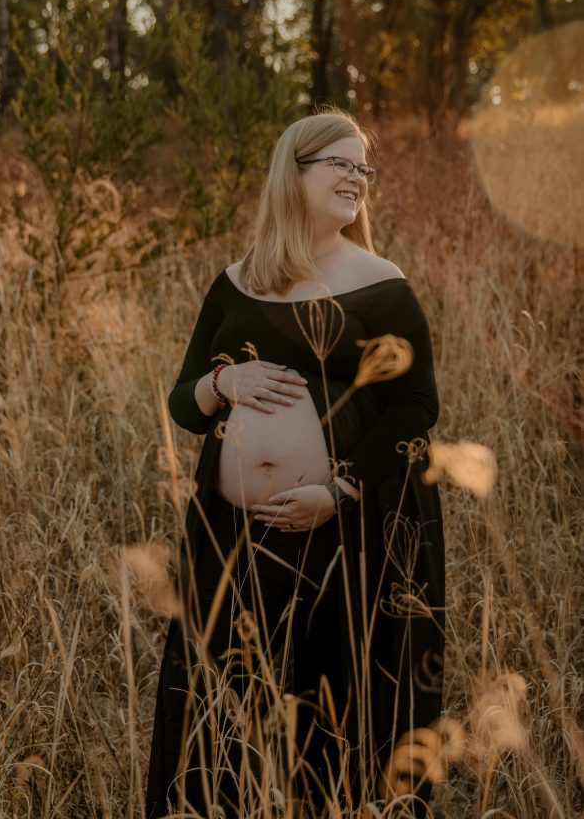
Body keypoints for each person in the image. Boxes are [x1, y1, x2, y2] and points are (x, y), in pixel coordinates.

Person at [145, 108, 445, 819]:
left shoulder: (380, 283)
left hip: (346, 535)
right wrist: (224, 384)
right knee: (222, 705)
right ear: (294, 171)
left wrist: (338, 490)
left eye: (363, 168)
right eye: (340, 163)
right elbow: (183, 405)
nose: (357, 178)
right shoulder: (235, 283)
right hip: (231, 540)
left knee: (337, 708)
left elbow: (414, 406)